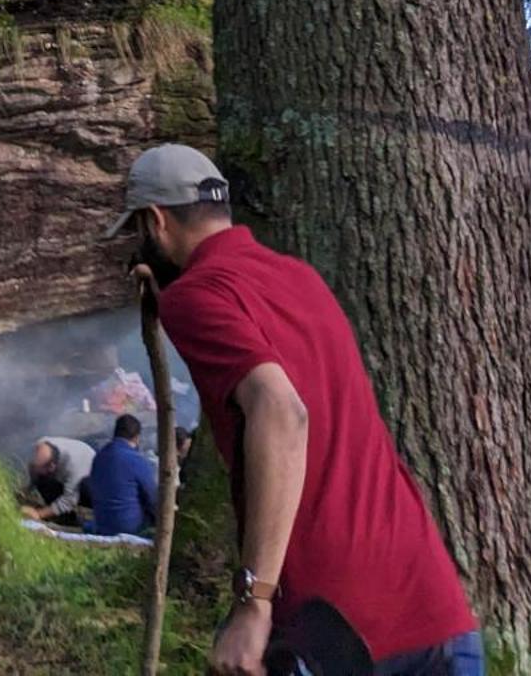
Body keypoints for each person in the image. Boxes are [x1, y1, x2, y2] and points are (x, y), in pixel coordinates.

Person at [107, 143, 483, 676]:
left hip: (338, 630)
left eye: (137, 231)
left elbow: (281, 411)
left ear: (155, 220)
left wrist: (253, 601)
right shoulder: (300, 278)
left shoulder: (195, 297)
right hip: (433, 605)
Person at [88, 413, 159, 538]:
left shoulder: (98, 457)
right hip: (130, 528)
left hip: (102, 524)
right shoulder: (137, 460)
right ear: (137, 438)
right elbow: (152, 499)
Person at [20, 437, 95, 527]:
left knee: (82, 489)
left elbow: (68, 501)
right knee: (42, 477)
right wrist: (28, 489)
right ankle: (60, 514)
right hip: (63, 475)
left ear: (52, 467)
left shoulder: (74, 466)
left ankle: (70, 521)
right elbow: (34, 469)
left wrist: (38, 514)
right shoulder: (42, 444)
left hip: (90, 483)